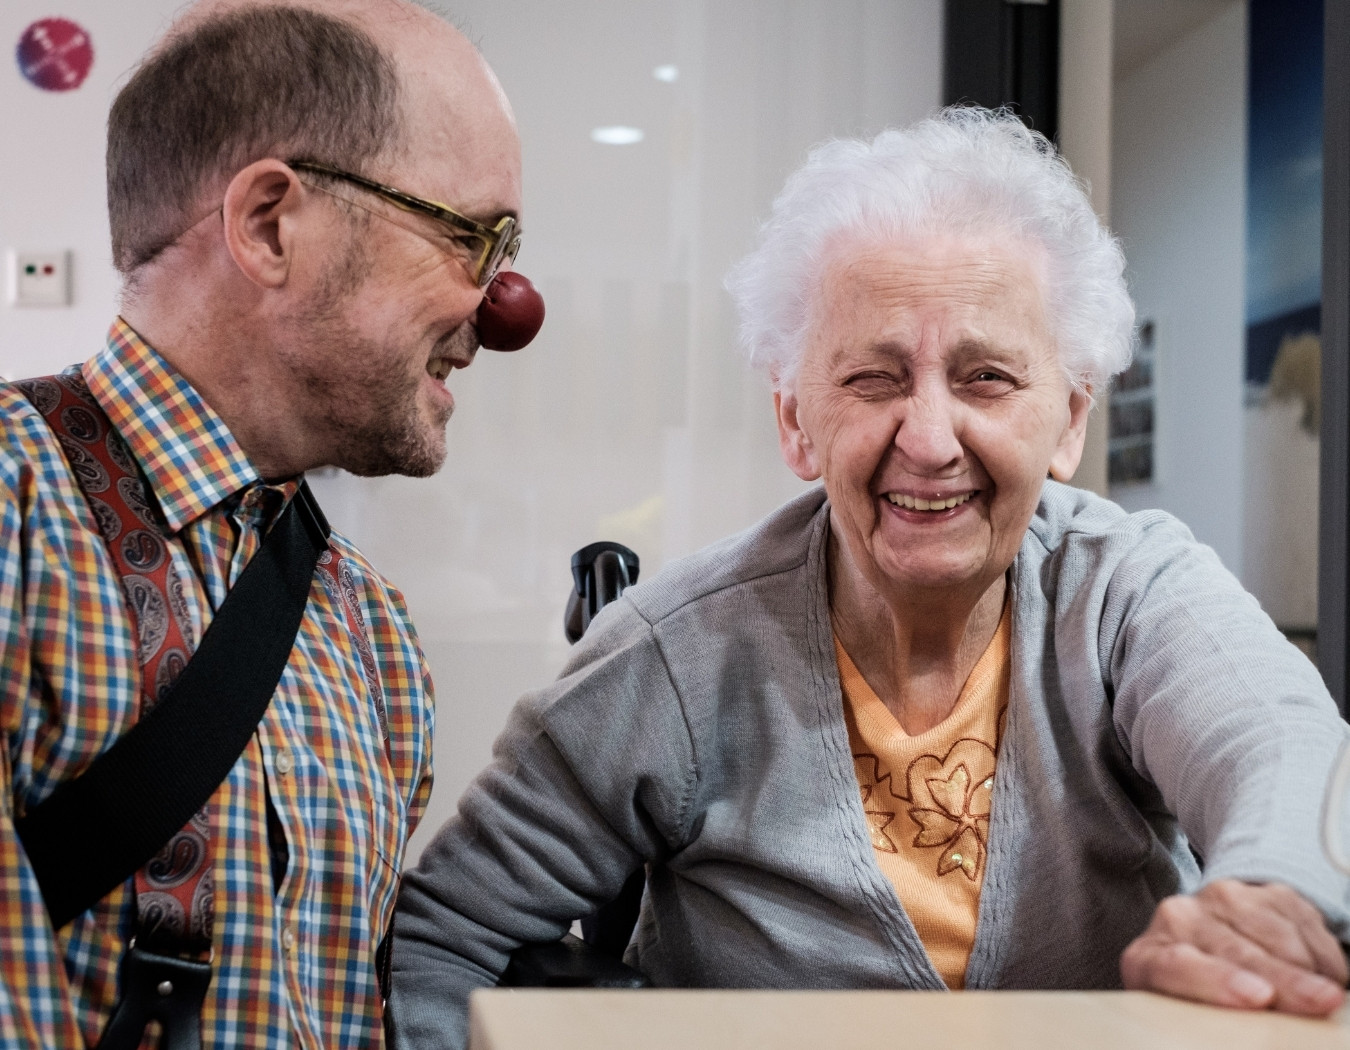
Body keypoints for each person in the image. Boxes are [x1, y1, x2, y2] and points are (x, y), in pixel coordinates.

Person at [389, 107, 1350, 1048]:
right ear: (797, 423)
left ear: (1068, 422)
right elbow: (442, 941)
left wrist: (1266, 899)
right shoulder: (679, 651)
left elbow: (1285, 748)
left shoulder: (1129, 594)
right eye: (874, 380)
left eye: (986, 379)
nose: (928, 441)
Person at [0, 1, 541, 1046]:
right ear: (269, 225)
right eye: (477, 238)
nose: (507, 305)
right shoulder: (16, 520)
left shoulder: (372, 634)